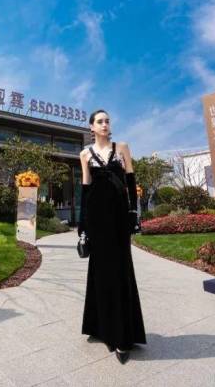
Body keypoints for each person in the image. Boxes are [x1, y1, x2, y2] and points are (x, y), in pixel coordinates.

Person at [78, 109, 146, 364]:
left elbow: (131, 183)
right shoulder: (84, 154)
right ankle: (101, 328)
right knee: (100, 272)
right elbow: (85, 189)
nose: (105, 124)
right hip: (96, 219)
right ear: (91, 127)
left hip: (119, 218)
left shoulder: (122, 148)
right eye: (100, 121)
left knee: (120, 270)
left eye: (107, 121)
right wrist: (83, 225)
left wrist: (133, 214)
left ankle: (122, 336)